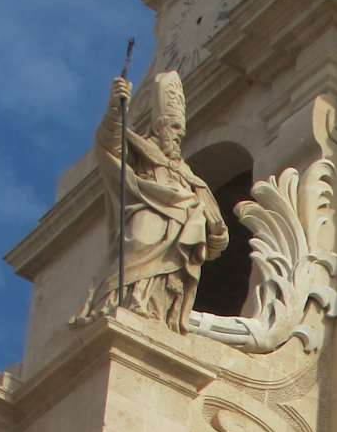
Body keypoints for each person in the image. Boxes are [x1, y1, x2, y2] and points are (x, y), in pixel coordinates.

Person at [79, 69, 229, 333]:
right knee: (135, 250)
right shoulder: (140, 151)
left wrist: (215, 230)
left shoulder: (188, 174)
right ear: (158, 126)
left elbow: (215, 223)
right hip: (146, 218)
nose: (178, 135)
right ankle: (125, 303)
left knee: (167, 279)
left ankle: (156, 311)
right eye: (173, 127)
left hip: (178, 234)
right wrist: (116, 109)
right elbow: (110, 145)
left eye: (180, 130)